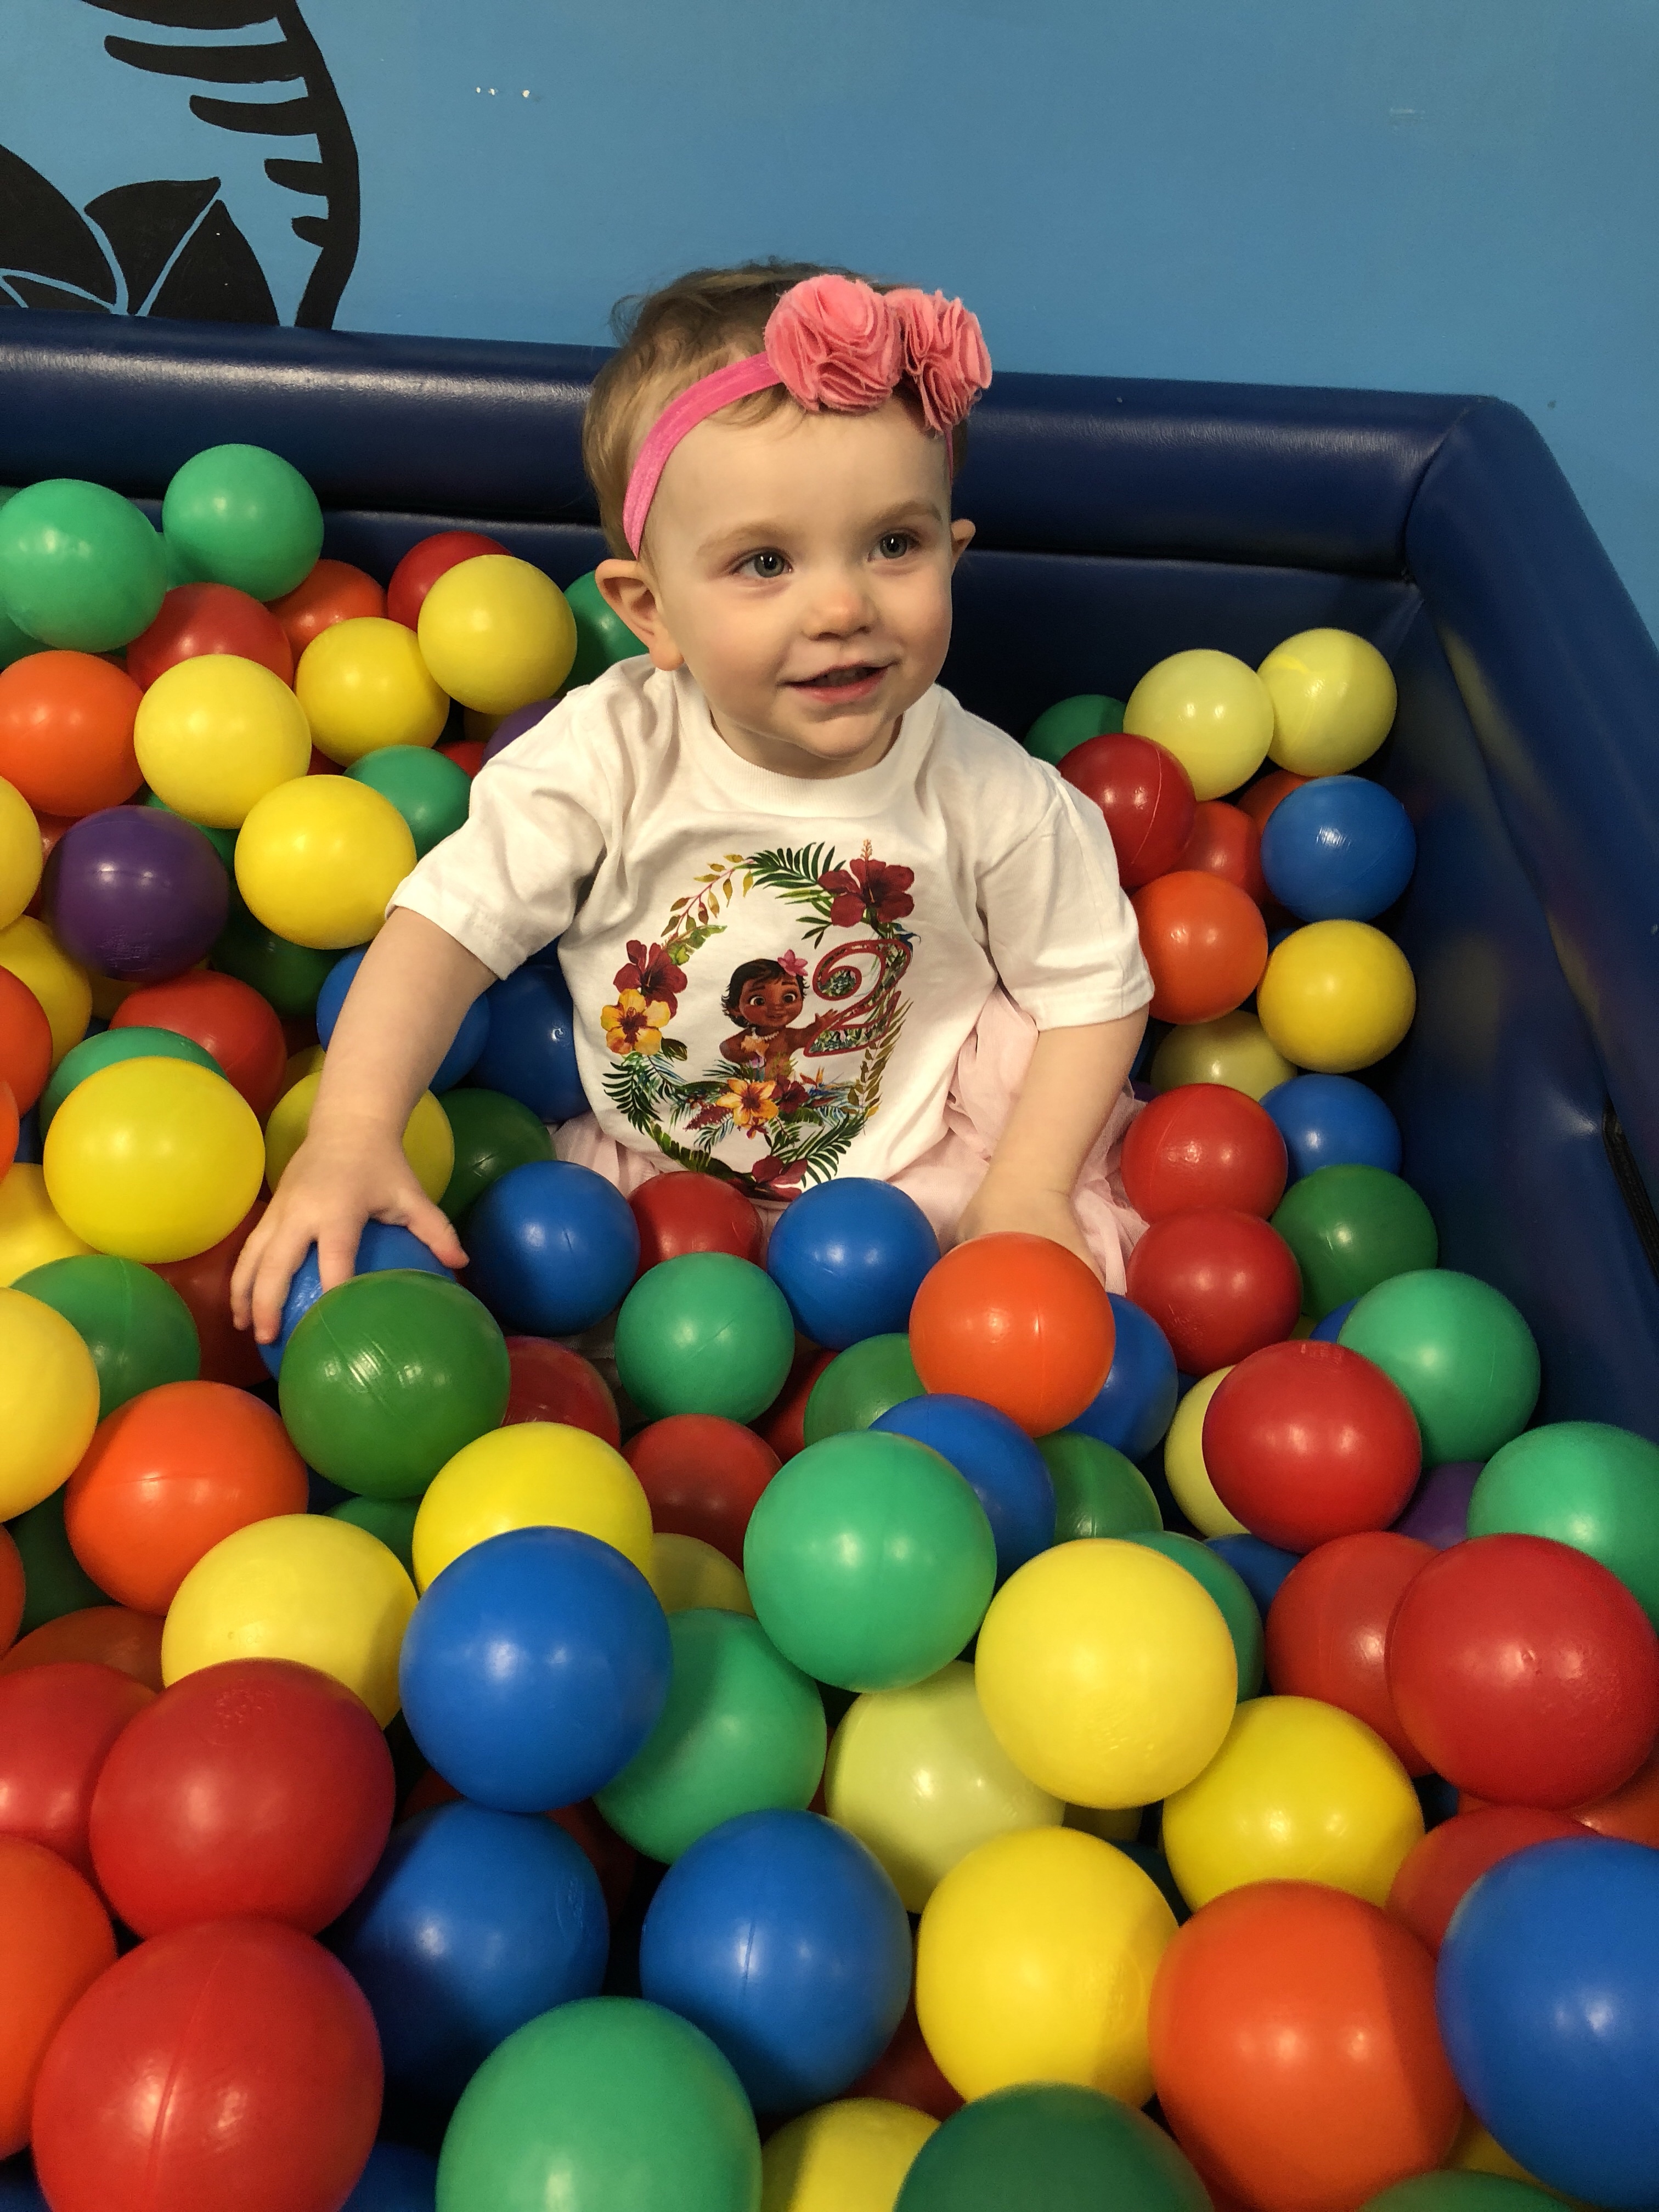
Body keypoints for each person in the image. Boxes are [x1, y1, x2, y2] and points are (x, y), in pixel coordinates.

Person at [232, 260, 1153, 1344]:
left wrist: (1028, 1186)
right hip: (643, 1194)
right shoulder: (609, 753)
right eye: (764, 562)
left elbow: (1092, 987)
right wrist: (351, 1133)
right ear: (649, 612)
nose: (842, 605)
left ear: (954, 556)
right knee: (550, 1313)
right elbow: (445, 928)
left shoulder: (993, 794)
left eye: (894, 545)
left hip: (915, 1182)